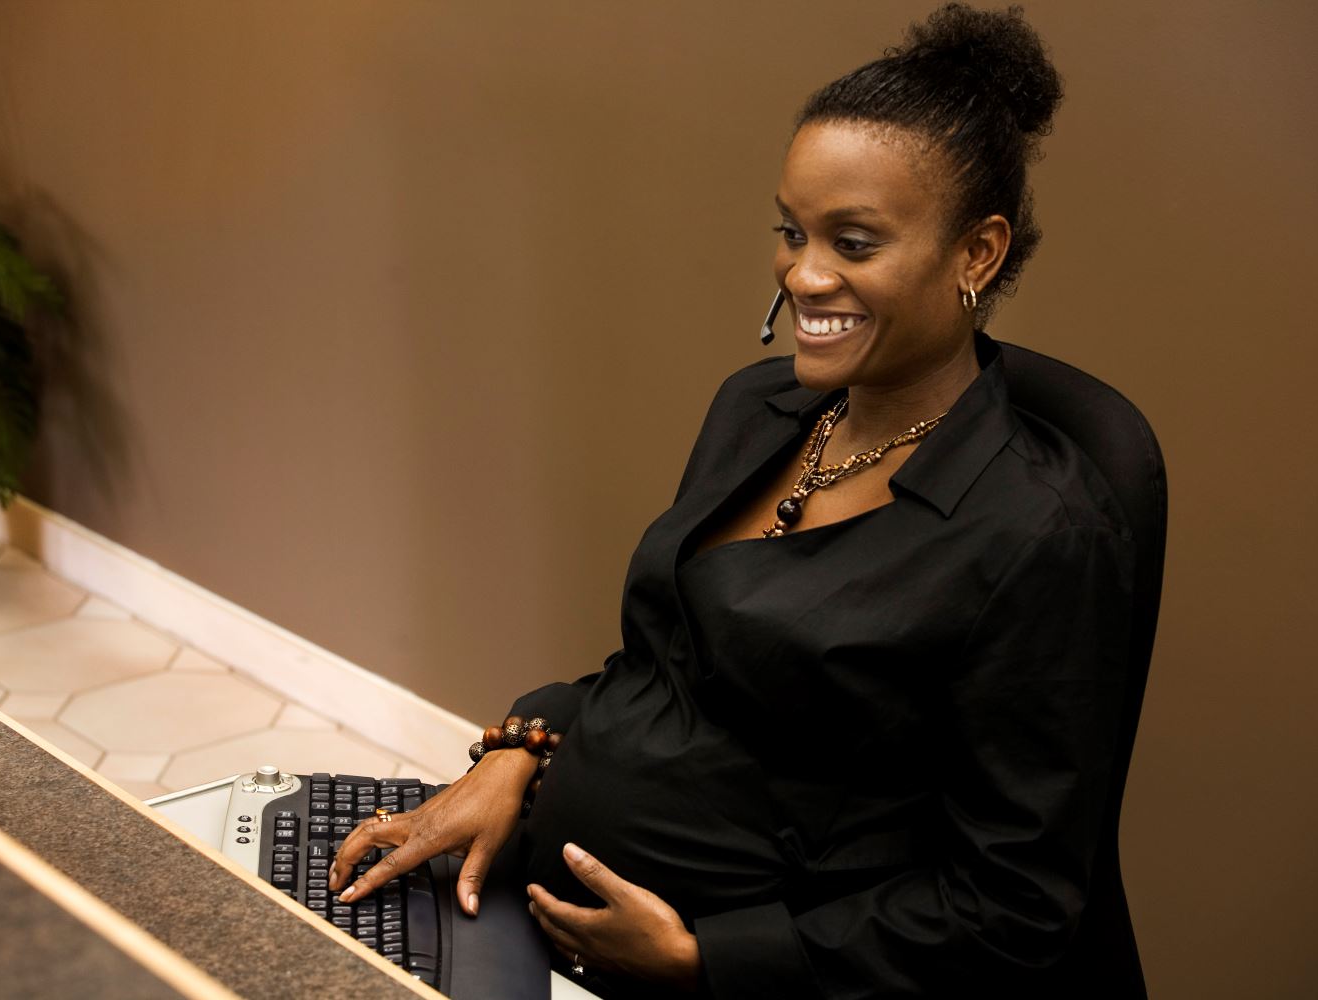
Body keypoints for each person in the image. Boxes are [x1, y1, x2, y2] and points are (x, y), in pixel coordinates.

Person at [331, 4, 1146, 996]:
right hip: (537, 911)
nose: (804, 273)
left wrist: (704, 958)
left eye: (854, 240)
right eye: (792, 230)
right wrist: (518, 750)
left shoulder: (1037, 536)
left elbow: (1011, 904)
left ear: (976, 254)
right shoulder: (757, 410)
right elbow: (665, 671)